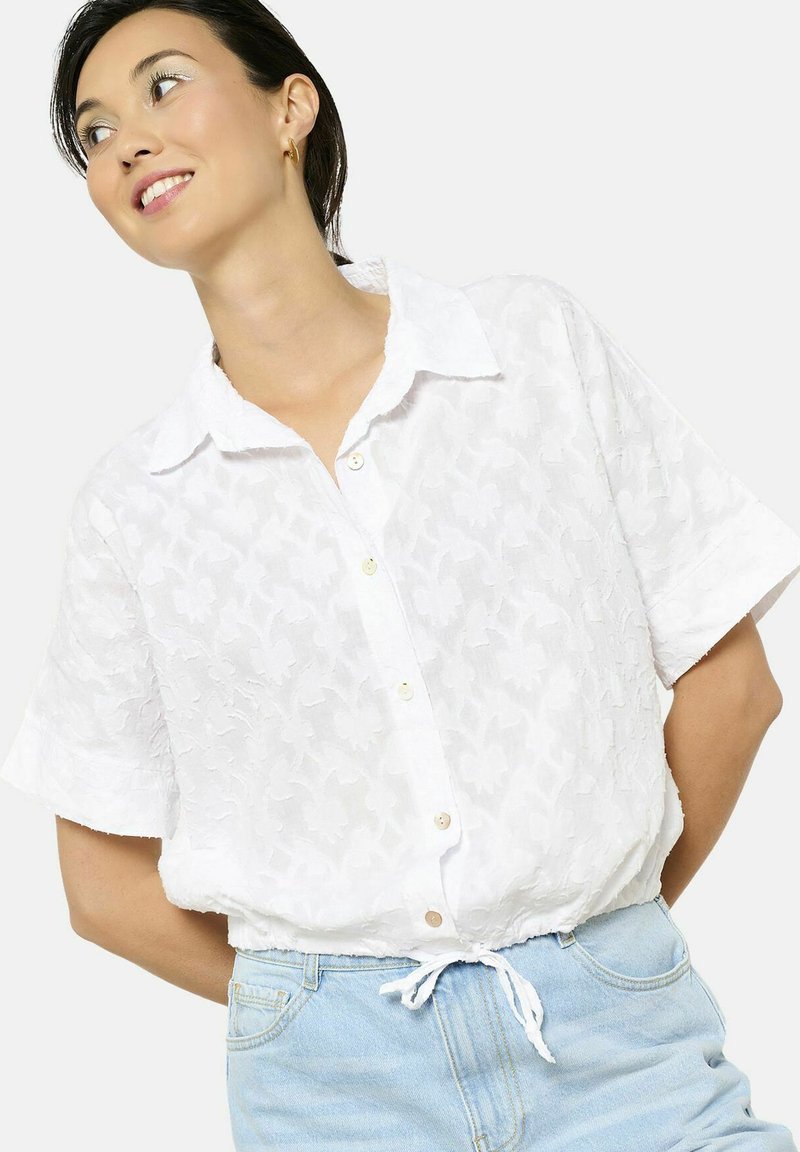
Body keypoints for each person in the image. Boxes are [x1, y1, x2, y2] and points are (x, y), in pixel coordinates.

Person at [2, 0, 798, 1148]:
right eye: (93, 131)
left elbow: (734, 687)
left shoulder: (524, 351)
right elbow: (102, 886)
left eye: (162, 85)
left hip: (623, 1060)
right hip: (333, 1098)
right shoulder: (136, 504)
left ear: (290, 107)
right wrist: (318, 1011)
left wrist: (589, 936)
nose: (125, 140)